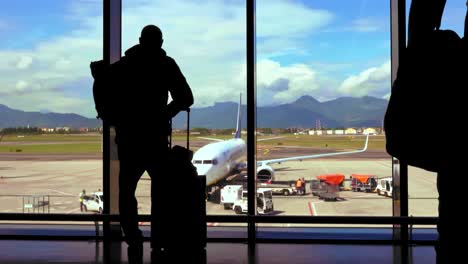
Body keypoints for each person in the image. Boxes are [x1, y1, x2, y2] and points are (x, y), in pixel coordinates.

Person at [110, 25, 193, 264]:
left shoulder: (124, 66)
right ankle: (161, 238)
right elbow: (186, 97)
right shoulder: (166, 65)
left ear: (139, 40)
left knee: (127, 193)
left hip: (129, 138)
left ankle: (134, 239)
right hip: (155, 138)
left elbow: (106, 96)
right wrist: (164, 114)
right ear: (160, 42)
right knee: (163, 192)